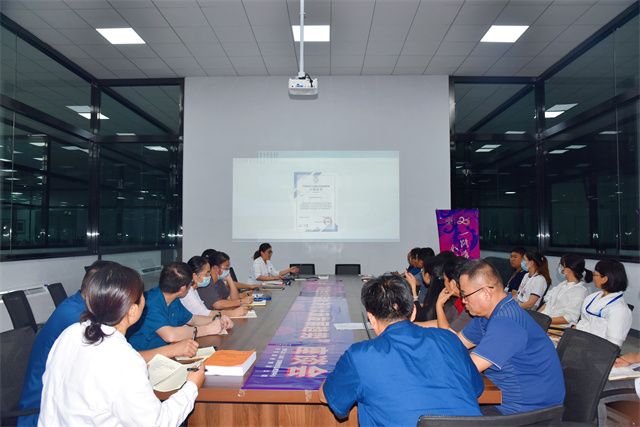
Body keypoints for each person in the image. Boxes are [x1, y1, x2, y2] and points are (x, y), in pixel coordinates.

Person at [17, 261, 199, 427]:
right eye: (141, 296)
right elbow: (158, 423)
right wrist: (191, 386)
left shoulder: (71, 332)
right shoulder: (122, 358)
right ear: (133, 310)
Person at [319, 274, 484, 426]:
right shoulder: (450, 340)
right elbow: (476, 388)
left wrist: (341, 372)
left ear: (371, 319)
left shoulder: (360, 356)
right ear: (413, 313)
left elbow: (326, 396)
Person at [457, 259, 565, 415]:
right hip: (501, 399)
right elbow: (455, 344)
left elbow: (466, 369)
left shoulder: (507, 322)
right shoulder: (486, 315)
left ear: (486, 292)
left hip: (527, 413)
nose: (463, 301)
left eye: (465, 295)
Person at [127, 262, 231, 352]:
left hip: (167, 351)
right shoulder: (150, 303)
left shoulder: (173, 299)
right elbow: (170, 336)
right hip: (146, 358)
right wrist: (207, 329)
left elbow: (192, 319)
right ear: (182, 288)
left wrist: (218, 319)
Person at [575, 259, 632, 346]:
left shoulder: (619, 309)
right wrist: (567, 336)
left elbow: (613, 345)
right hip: (580, 341)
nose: (593, 277)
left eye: (595, 274)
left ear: (604, 279)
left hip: (595, 349)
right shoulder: (593, 297)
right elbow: (584, 323)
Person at [417, 256, 473, 333]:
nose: (444, 284)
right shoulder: (459, 301)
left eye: (445, 280)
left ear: (453, 284)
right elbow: (442, 322)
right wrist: (412, 326)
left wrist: (439, 305)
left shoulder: (470, 306)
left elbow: (446, 334)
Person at [182, 255, 248, 318]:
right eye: (206, 274)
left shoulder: (194, 290)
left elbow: (204, 311)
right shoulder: (188, 293)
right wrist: (232, 313)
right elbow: (204, 313)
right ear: (194, 276)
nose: (209, 277)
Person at [537, 253, 590, 327]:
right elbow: (547, 303)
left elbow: (569, 318)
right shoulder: (562, 284)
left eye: (561, 265)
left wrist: (544, 321)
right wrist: (536, 316)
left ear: (568, 270)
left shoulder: (580, 291)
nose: (560, 267)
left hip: (558, 326)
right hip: (545, 321)